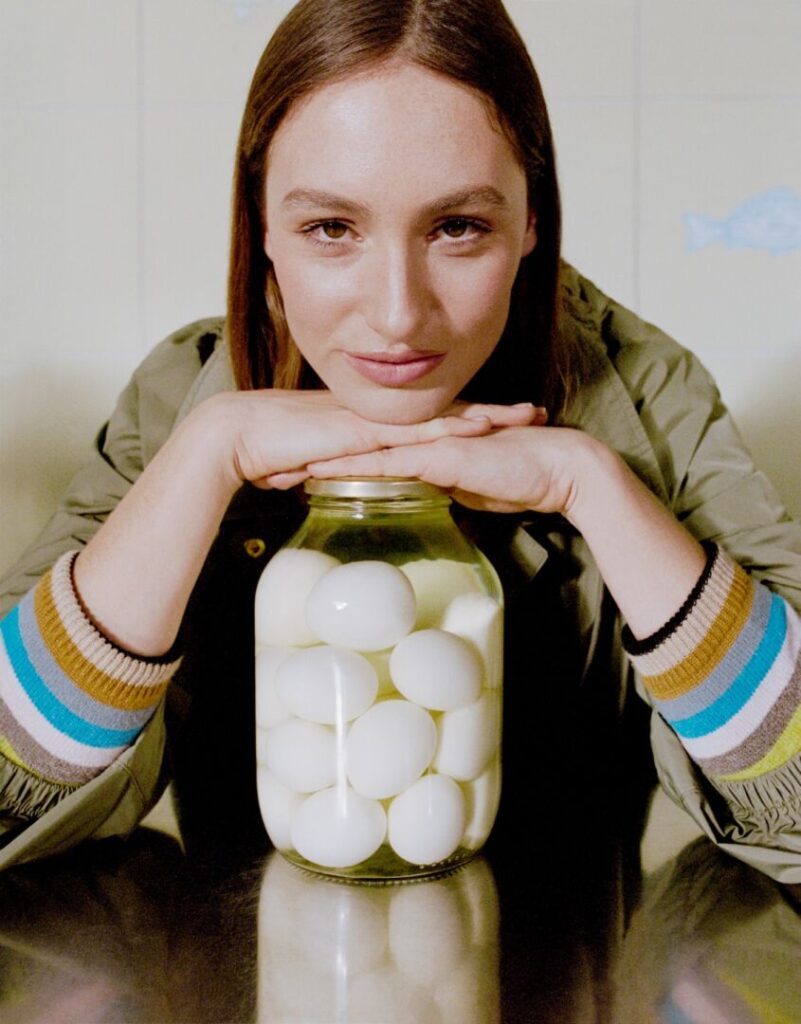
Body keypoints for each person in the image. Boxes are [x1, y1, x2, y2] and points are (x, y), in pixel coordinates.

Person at [1, 0, 799, 876]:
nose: (397, 314)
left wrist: (591, 485)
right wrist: (209, 451)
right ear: (260, 225)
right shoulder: (178, 402)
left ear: (531, 219)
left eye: (457, 228)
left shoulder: (646, 397)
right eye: (331, 229)